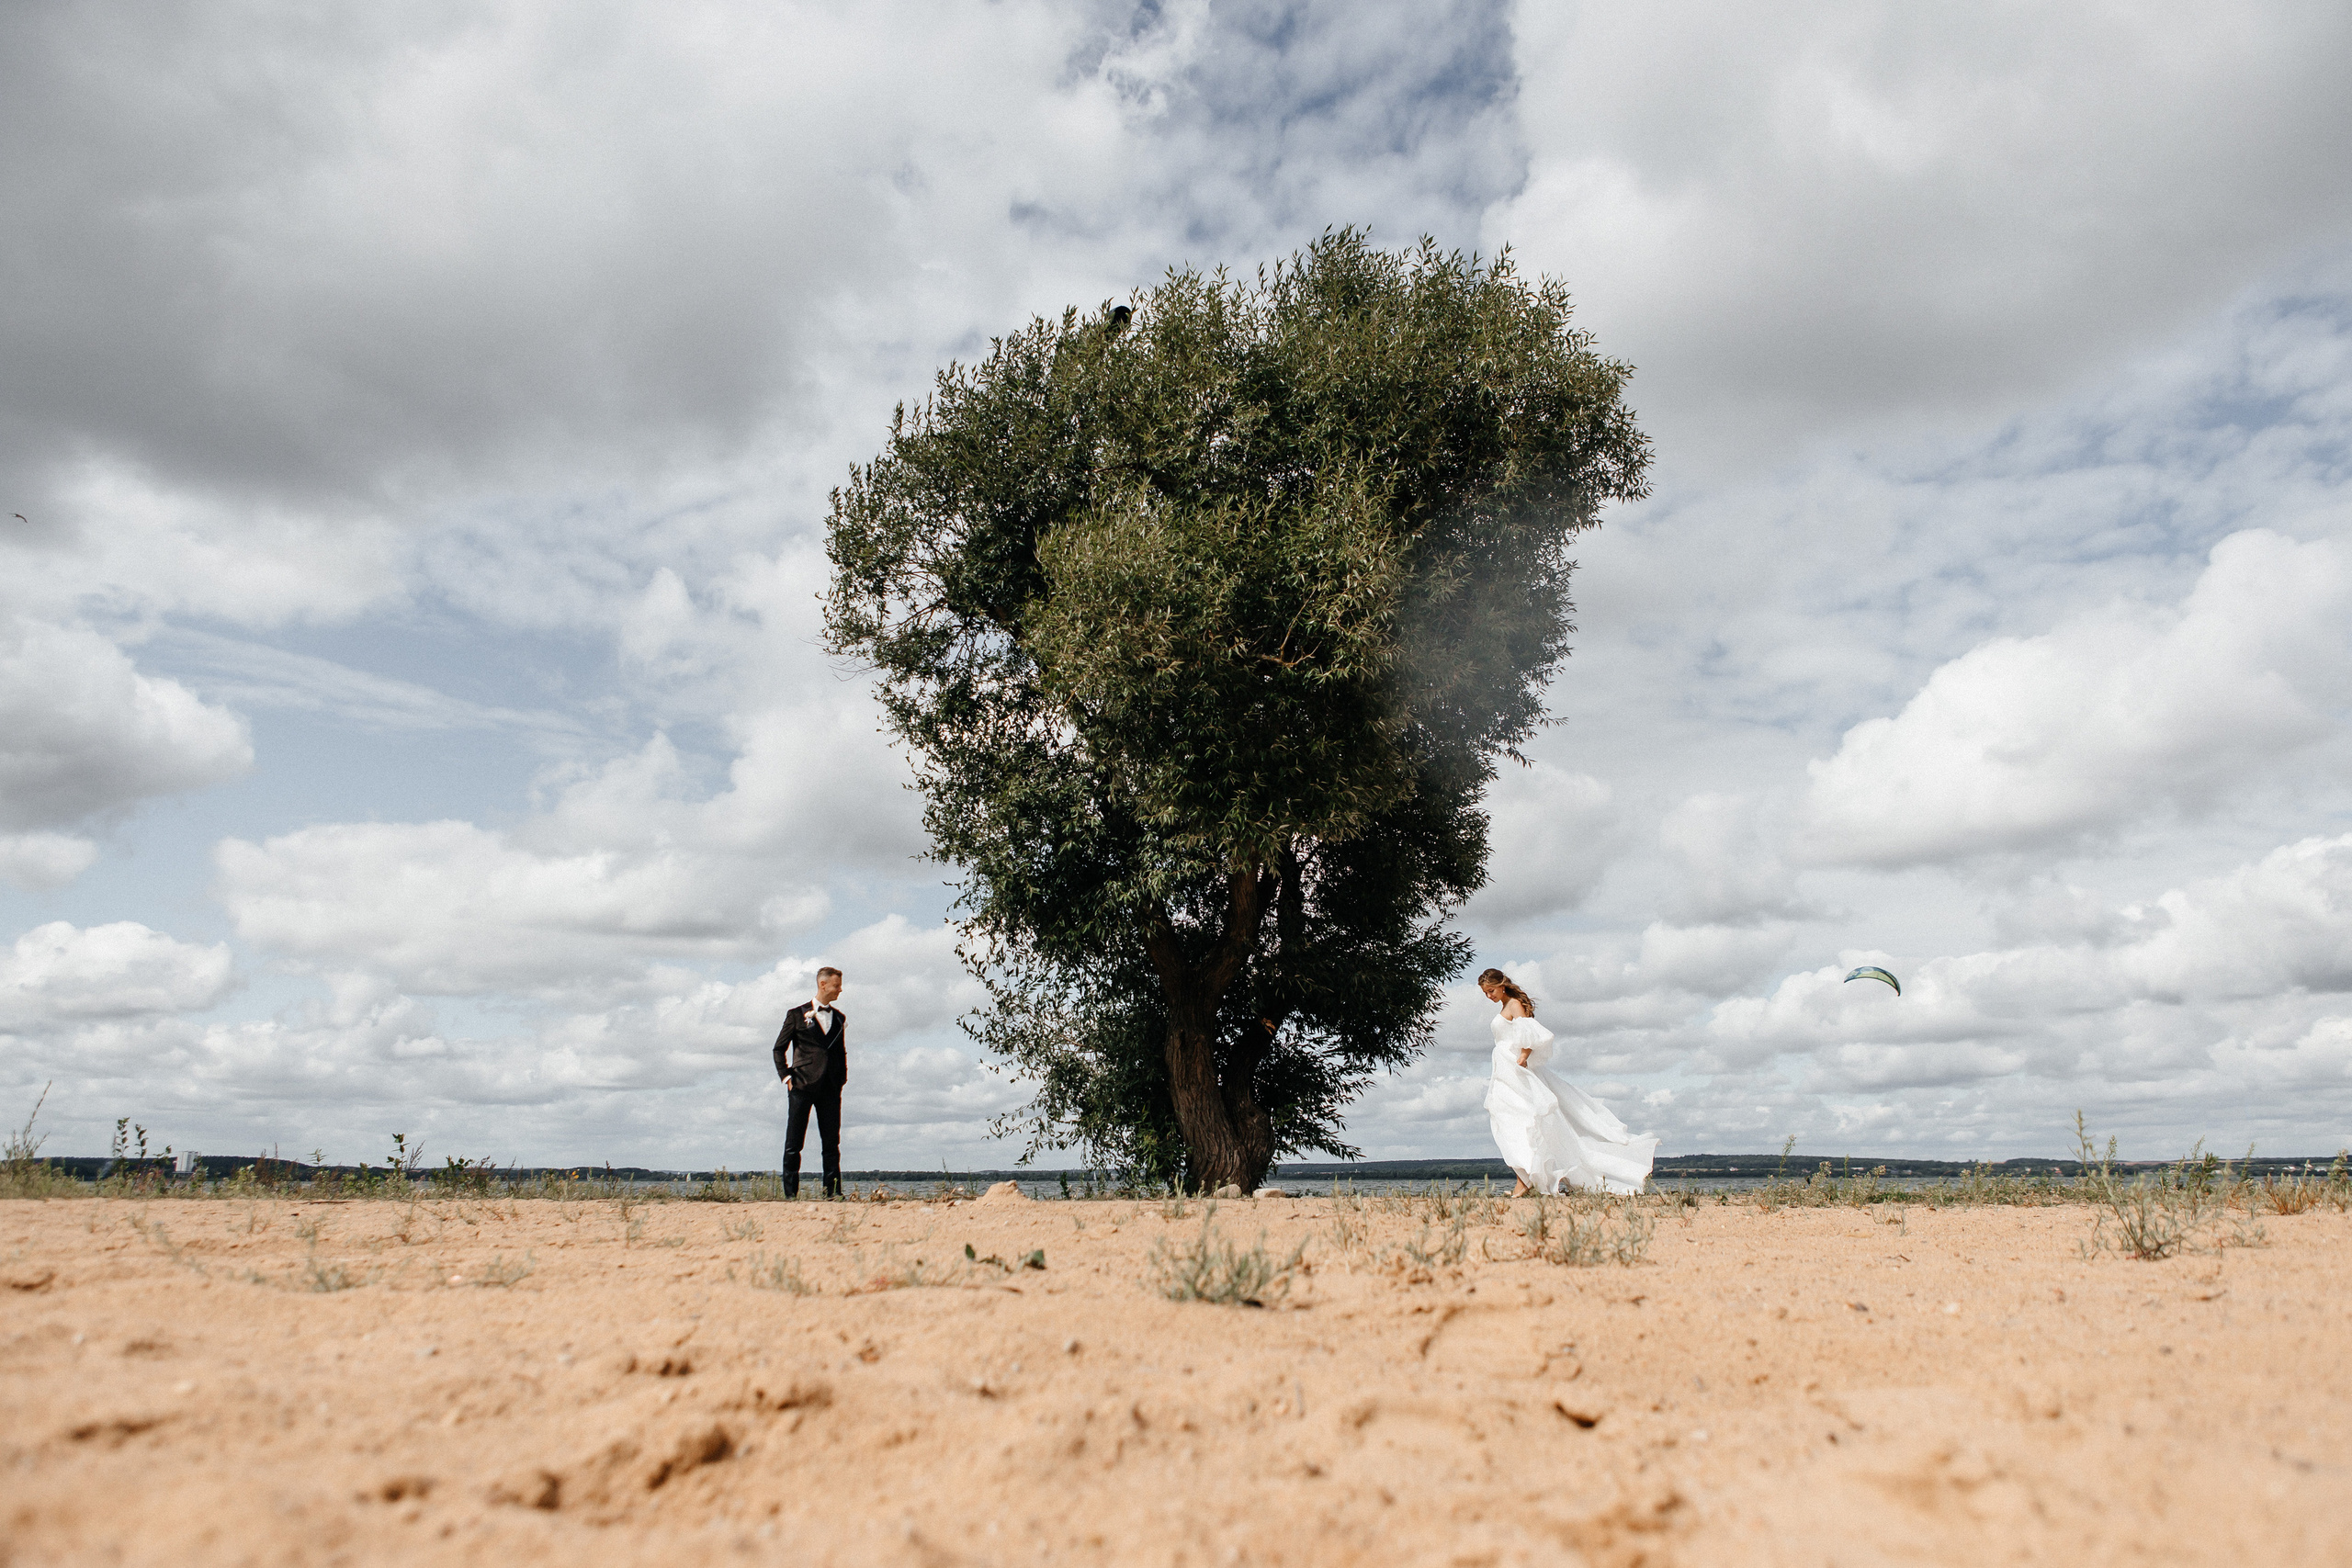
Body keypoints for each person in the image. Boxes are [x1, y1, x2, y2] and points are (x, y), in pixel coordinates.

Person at [1481, 967, 1656, 1196]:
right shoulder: (1505, 1006)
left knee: (1522, 1122)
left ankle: (1526, 1181)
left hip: (1515, 1069)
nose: (1489, 996)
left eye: (1491, 990)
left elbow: (1531, 1033)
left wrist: (1523, 1056)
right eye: (1485, 993)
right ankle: (1525, 1178)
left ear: (1502, 985)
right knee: (1506, 1121)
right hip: (1503, 1071)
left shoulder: (1514, 1004)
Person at [774, 966, 848, 1199]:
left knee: (831, 1143)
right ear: (823, 985)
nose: (840, 989)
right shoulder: (796, 1015)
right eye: (837, 985)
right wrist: (786, 1076)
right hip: (801, 1085)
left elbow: (840, 1051)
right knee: (794, 1142)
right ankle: (790, 1194)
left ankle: (833, 1192)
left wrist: (841, 1078)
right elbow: (779, 1049)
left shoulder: (839, 1017)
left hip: (830, 1087)